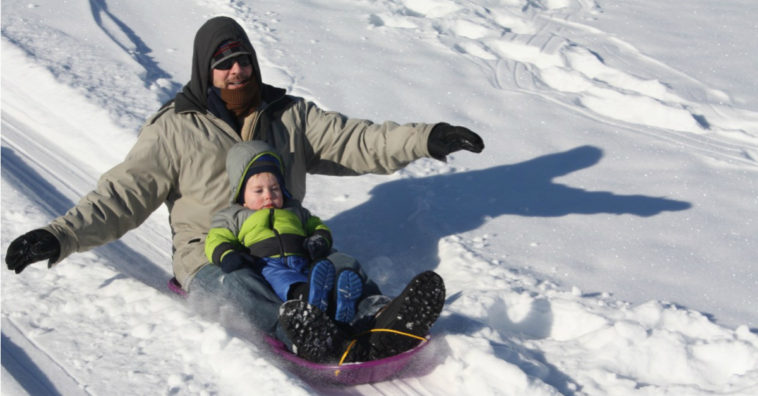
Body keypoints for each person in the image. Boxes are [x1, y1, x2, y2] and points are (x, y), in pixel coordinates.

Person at [4, 16, 483, 362]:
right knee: (237, 285)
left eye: (242, 60)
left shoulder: (288, 114)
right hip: (216, 253)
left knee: (337, 266)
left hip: (288, 239)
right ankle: (297, 329)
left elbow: (355, 140)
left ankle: (381, 316)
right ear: (203, 70)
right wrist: (60, 235)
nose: (236, 71)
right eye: (223, 63)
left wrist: (424, 137)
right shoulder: (174, 129)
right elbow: (123, 194)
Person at [206, 141, 364, 324]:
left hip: (304, 261)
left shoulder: (295, 211)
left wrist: (319, 239)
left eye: (274, 189)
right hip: (268, 266)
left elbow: (317, 225)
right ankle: (308, 303)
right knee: (286, 282)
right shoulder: (233, 216)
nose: (268, 195)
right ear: (242, 196)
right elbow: (215, 238)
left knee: (326, 274)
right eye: (258, 191)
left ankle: (341, 305)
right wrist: (228, 255)